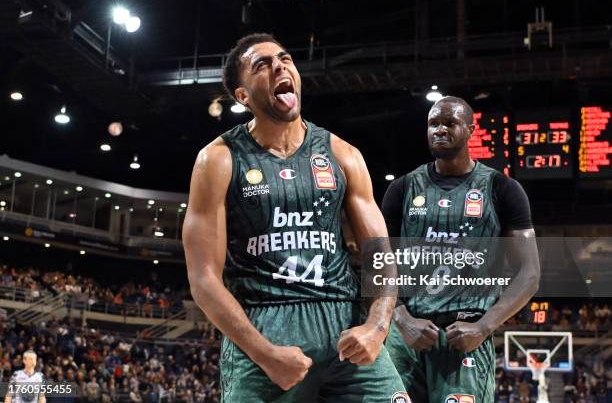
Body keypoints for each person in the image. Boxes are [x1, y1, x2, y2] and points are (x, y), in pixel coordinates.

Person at [182, 33, 405, 402]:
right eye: (263, 65)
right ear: (242, 96)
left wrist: (377, 328)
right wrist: (262, 352)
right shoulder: (218, 159)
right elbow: (203, 278)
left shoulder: (342, 153)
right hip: (265, 325)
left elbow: (380, 255)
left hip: (343, 325)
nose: (279, 67)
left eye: (284, 59)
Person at [382, 96, 541, 402]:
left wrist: (483, 326)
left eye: (450, 123)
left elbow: (530, 274)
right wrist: (401, 318)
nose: (440, 129)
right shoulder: (402, 188)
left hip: (465, 336)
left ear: (470, 130)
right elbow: (378, 263)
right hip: (406, 336)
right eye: (433, 124)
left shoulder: (502, 189)